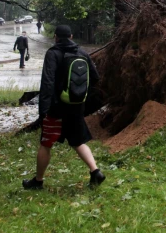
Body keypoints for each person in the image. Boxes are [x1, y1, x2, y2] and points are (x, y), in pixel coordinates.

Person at [22, 25, 105, 190]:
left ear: (55, 37)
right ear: (72, 36)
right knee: (78, 141)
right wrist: (80, 94)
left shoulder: (53, 53)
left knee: (46, 143)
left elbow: (47, 82)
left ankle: (38, 181)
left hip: (56, 108)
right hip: (76, 106)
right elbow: (95, 77)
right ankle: (96, 172)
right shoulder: (82, 53)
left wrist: (43, 111)